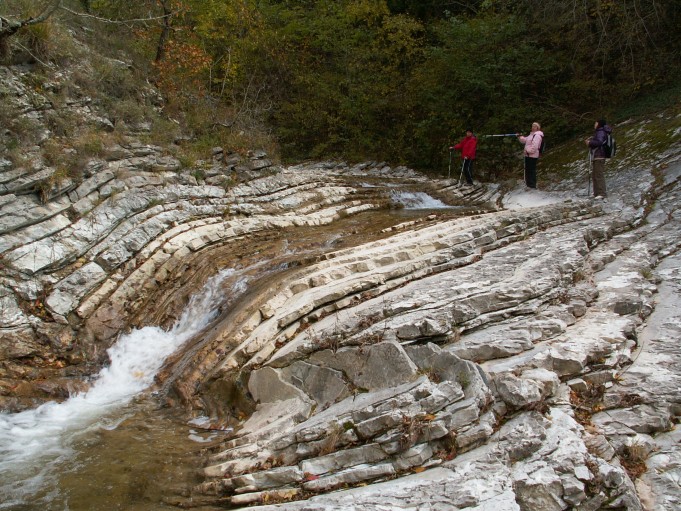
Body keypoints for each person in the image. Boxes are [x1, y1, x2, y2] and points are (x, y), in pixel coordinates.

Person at [585, 119, 612, 197]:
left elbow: (599, 142)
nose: (594, 124)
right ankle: (596, 193)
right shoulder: (600, 132)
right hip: (597, 156)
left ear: (599, 124)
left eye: (596, 123)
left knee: (598, 175)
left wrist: (590, 142)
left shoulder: (600, 132)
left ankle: (602, 193)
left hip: (599, 156)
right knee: (595, 175)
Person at [516, 122, 544, 188]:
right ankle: (529, 185)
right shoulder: (531, 135)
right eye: (532, 126)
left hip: (532, 156)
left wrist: (528, 151)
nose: (533, 127)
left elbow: (535, 147)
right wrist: (519, 136)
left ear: (538, 128)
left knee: (531, 170)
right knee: (528, 170)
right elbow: (525, 140)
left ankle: (532, 185)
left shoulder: (537, 135)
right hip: (528, 155)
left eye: (534, 126)